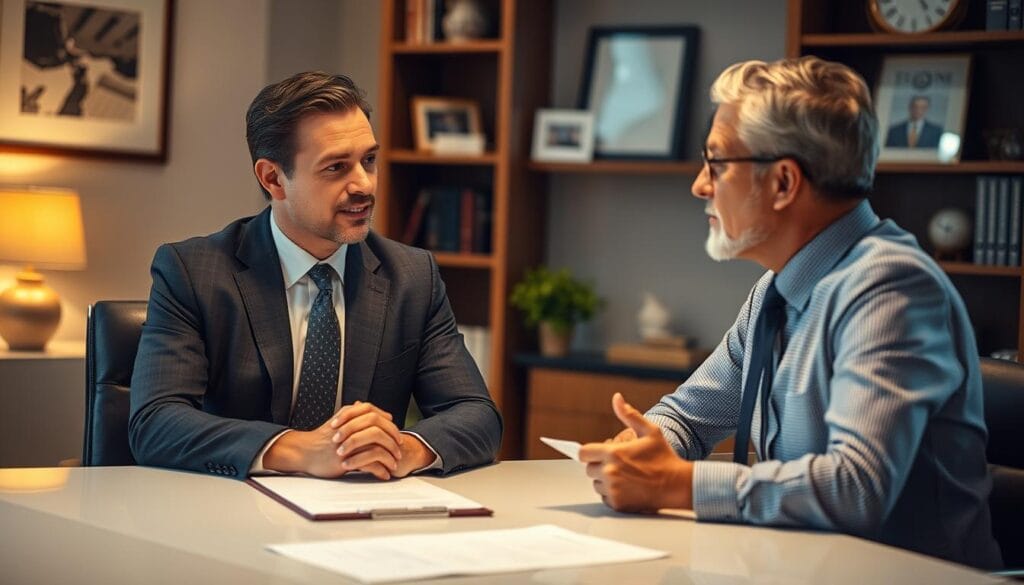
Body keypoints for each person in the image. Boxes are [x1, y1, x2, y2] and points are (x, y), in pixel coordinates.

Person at [578, 57, 1001, 569]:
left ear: (782, 183)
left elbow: (855, 489)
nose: (700, 185)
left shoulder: (891, 289)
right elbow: (688, 418)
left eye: (717, 164)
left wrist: (677, 483)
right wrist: (645, 445)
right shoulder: (774, 292)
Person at [129, 71, 502, 481]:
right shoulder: (194, 272)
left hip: (360, 519)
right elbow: (156, 423)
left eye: (369, 160)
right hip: (231, 514)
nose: (363, 184)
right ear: (273, 179)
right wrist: (299, 450)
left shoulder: (412, 277)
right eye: (336, 167)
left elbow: (477, 415)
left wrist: (400, 448)